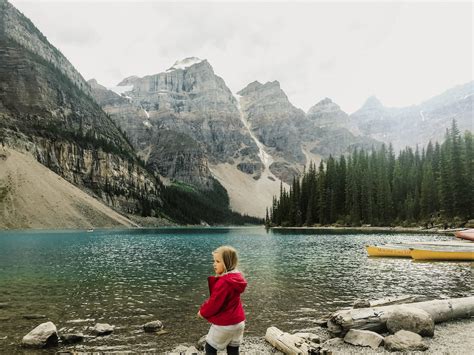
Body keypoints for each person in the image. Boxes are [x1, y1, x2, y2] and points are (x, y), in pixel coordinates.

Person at [197, 246, 247, 355]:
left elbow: (214, 303)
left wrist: (202, 312)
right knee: (233, 349)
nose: (214, 264)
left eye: (218, 261)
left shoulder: (224, 282)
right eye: (214, 261)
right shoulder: (237, 279)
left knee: (210, 347)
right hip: (239, 323)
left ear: (227, 264)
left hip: (226, 324)